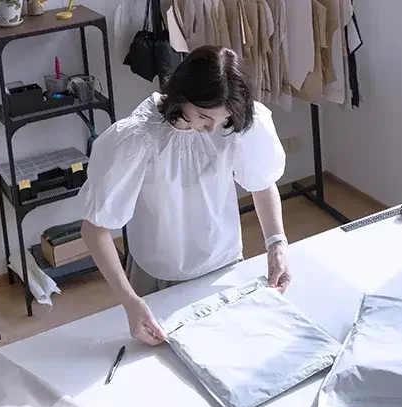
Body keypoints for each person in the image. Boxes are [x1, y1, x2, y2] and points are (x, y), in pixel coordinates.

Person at [80, 46, 291, 346]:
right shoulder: (138, 139)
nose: (211, 129)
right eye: (204, 116)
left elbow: (261, 181)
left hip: (225, 263)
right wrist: (130, 301)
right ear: (181, 95)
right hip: (158, 275)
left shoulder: (232, 124)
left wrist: (276, 243)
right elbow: (94, 228)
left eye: (222, 119)